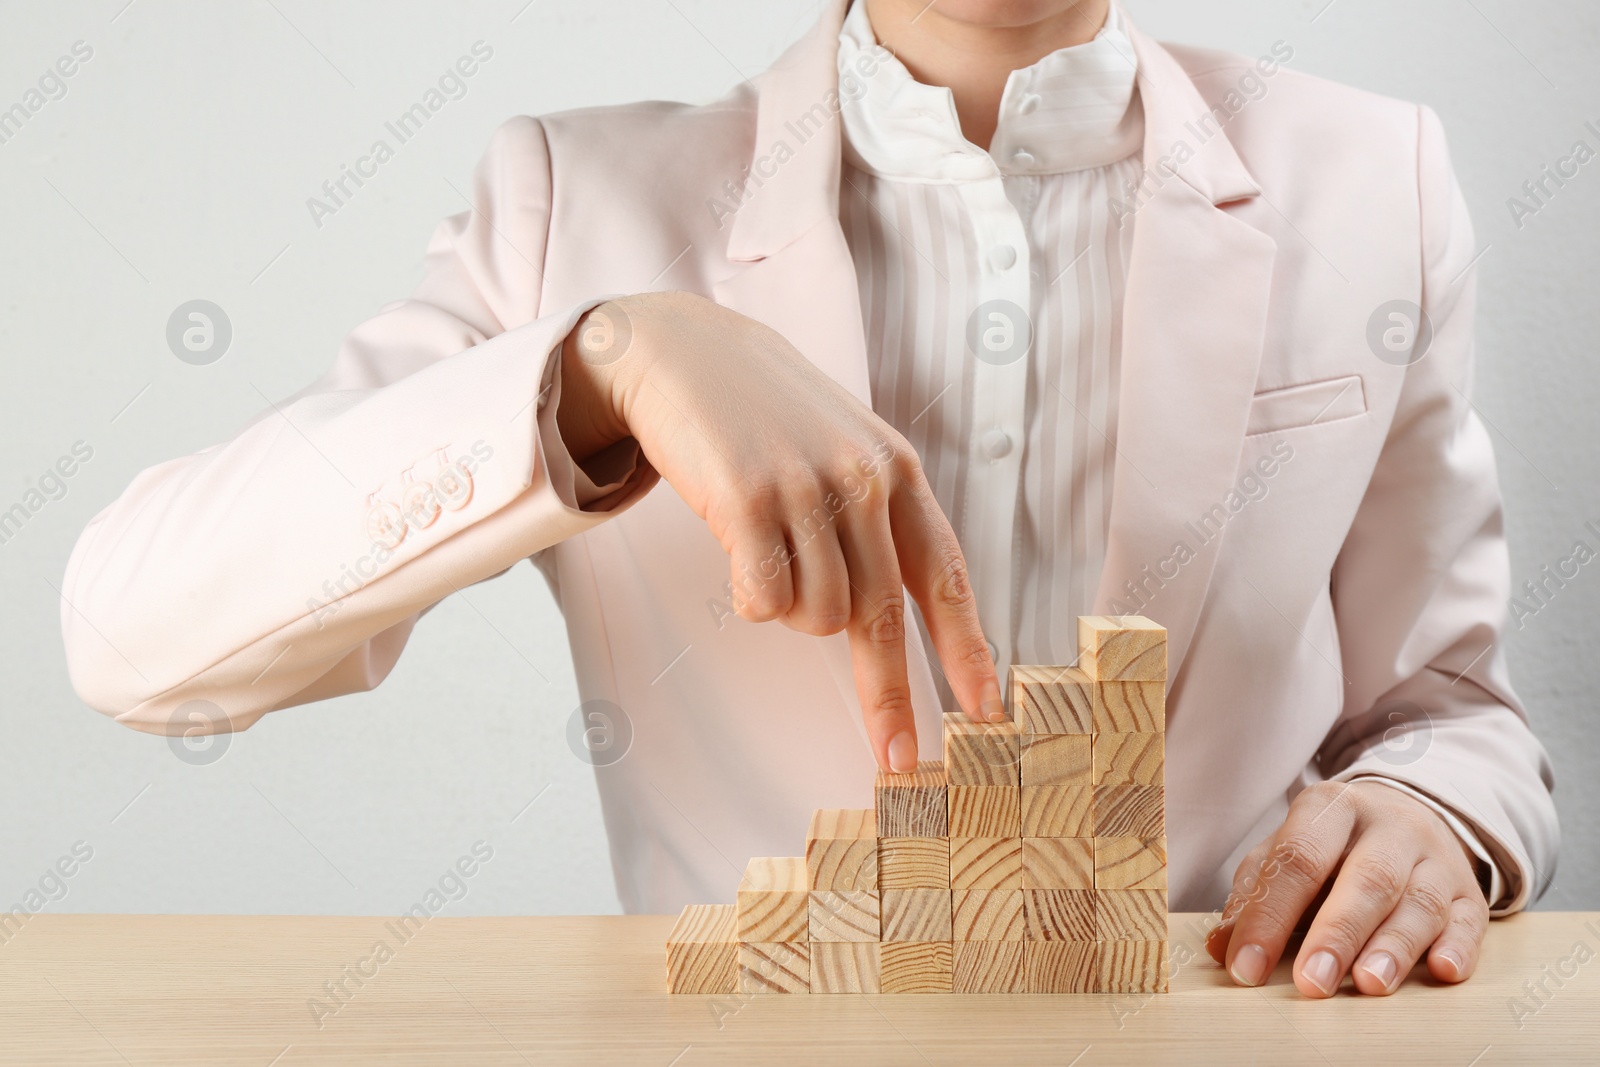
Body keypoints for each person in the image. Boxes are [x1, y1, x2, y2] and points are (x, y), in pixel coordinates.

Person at [60, 0, 1557, 999]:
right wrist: (595, 370)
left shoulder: (1377, 177)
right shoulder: (574, 202)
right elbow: (133, 635)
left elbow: (1453, 714)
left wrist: (1430, 814)